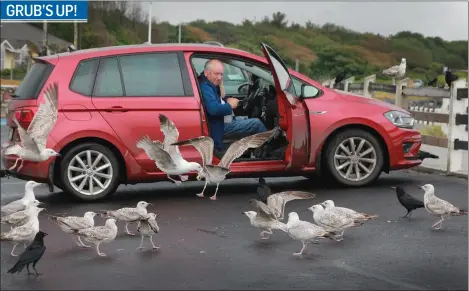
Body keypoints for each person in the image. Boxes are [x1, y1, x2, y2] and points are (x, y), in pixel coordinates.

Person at [198, 59, 267, 154]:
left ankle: (253, 150)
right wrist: (229, 105)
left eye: (221, 74)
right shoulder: (205, 87)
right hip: (220, 125)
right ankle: (269, 147)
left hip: (224, 120)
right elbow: (214, 110)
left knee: (246, 118)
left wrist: (226, 98)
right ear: (206, 73)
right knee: (256, 123)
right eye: (216, 74)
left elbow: (219, 99)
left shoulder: (210, 84)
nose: (219, 77)